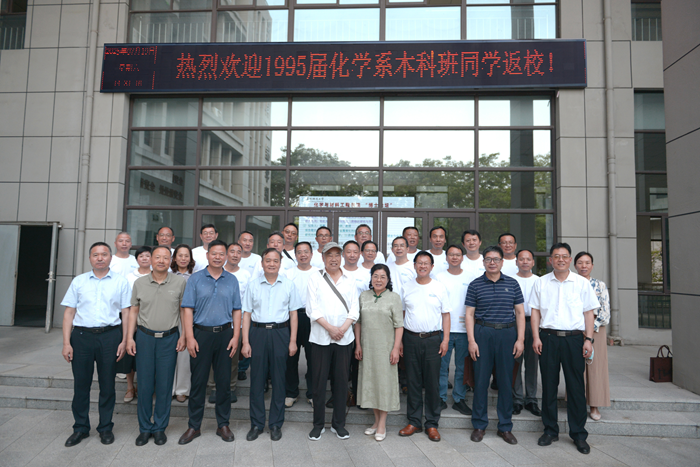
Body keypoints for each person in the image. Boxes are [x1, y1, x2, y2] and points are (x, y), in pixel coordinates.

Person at [530, 243, 600, 455]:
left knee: (576, 387)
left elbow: (589, 313)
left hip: (574, 339)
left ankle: (579, 434)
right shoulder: (541, 282)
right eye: (556, 256)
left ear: (570, 260)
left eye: (564, 256)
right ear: (550, 260)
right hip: (548, 338)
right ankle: (550, 430)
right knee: (549, 386)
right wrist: (536, 337)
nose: (560, 260)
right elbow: (535, 312)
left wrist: (588, 339)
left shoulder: (581, 283)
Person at [60, 242, 131, 447]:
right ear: (90, 258)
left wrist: (124, 340)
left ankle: (105, 427)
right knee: (81, 385)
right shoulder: (79, 281)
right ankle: (80, 428)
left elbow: (126, 313)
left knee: (107, 385)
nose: (100, 258)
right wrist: (66, 343)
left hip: (110, 336)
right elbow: (69, 313)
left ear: (110, 257)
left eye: (104, 254)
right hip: (81, 337)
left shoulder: (120, 282)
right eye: (95, 255)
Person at [178, 240, 242, 445]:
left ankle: (223, 424)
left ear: (226, 256)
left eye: (221, 254)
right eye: (214, 253)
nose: (217, 257)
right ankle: (194, 426)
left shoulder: (231, 280)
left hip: (225, 335)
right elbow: (187, 309)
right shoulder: (195, 279)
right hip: (201, 335)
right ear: (207, 255)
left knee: (223, 382)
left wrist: (236, 336)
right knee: (198, 382)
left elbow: (237, 310)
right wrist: (189, 337)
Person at [126, 246, 187, 446]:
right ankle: (144, 428)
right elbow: (133, 312)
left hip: (169, 338)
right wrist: (130, 338)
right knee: (144, 385)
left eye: (165, 257)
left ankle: (160, 427)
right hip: (145, 337)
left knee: (164, 384)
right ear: (151, 259)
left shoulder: (179, 282)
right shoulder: (139, 283)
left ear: (171, 261)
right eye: (157, 257)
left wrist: (184, 335)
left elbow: (183, 312)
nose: (161, 261)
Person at [465, 246, 525, 445]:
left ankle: (505, 426)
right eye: (488, 259)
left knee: (506, 382)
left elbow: (519, 313)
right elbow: (469, 314)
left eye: (496, 259)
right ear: (483, 262)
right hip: (483, 333)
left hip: (507, 334)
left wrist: (520, 339)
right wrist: (472, 341)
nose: (492, 262)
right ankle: (479, 425)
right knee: (481, 380)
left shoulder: (513, 283)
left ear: (502, 262)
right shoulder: (475, 285)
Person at [241, 248, 302, 442]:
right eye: (268, 260)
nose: (271, 264)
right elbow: (246, 314)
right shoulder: (253, 285)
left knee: (279, 380)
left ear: (280, 263)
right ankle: (256, 424)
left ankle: (276, 424)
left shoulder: (289, 285)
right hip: (257, 333)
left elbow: (294, 314)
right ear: (262, 263)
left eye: (275, 261)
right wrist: (245, 341)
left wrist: (293, 341)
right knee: (257, 380)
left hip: (280, 333)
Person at [306, 242, 359, 441]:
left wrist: (342, 329)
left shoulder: (350, 280)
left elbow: (354, 309)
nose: (334, 259)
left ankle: (339, 424)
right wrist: (330, 328)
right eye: (330, 255)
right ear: (323, 258)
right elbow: (311, 309)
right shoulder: (315, 278)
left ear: (342, 257)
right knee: (319, 383)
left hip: (344, 339)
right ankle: (318, 425)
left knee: (341, 382)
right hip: (320, 338)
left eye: (337, 254)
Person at [398, 251, 451, 443]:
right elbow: (402, 314)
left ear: (432, 266)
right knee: (412, 381)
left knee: (432, 382)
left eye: (426, 263)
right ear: (414, 265)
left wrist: (445, 340)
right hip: (411, 338)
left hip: (433, 339)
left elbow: (446, 315)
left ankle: (431, 423)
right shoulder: (406, 287)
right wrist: (400, 341)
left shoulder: (439, 287)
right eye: (419, 263)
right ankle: (414, 421)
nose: (422, 266)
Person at [355, 264, 403, 441]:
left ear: (388, 279)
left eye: (383, 276)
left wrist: (396, 348)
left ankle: (382, 423)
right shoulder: (364, 296)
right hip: (367, 348)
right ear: (371, 278)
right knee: (372, 383)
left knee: (384, 384)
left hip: (386, 348)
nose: (378, 280)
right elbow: (358, 322)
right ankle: (376, 421)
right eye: (375, 276)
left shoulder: (393, 298)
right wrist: (358, 344)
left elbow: (399, 325)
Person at [435, 245, 479, 416]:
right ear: (446, 257)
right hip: (442, 329)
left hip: (464, 330)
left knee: (462, 367)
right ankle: (440, 398)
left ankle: (459, 399)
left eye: (458, 255)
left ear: (462, 257)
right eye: (451, 254)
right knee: (442, 366)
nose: (454, 257)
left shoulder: (471, 277)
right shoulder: (438, 277)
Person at [208, 242, 252, 404]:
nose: (235, 255)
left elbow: (248, 301)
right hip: (216, 322)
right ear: (227, 254)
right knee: (214, 358)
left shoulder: (246, 275)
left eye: (238, 252)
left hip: (237, 324)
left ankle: (231, 387)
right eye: (232, 251)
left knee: (233, 358)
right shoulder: (217, 272)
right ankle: (214, 387)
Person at [574, 251, 611, 421]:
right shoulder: (571, 283)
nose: (584, 266)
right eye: (580, 263)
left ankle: (594, 405)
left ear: (592, 266)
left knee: (595, 367)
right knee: (575, 367)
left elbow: (605, 311)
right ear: (575, 265)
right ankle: (576, 402)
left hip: (596, 329)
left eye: (587, 263)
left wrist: (590, 328)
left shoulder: (600, 285)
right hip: (575, 329)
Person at [285, 241, 318, 408]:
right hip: (293, 316)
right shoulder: (288, 273)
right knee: (291, 357)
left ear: (311, 254)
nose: (303, 255)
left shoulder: (319, 273)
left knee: (314, 358)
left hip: (313, 318)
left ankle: (313, 393)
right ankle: (291, 393)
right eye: (299, 252)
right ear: (295, 255)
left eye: (306, 251)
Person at [512, 249, 541, 416]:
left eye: (528, 259)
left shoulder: (539, 281)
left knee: (532, 362)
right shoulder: (509, 280)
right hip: (513, 324)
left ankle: (531, 399)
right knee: (515, 361)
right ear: (516, 262)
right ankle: (516, 399)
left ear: (533, 262)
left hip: (533, 324)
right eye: (521, 259)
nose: (524, 262)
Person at [122, 245, 153, 403]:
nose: (145, 258)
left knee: (146, 357)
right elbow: (126, 302)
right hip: (131, 318)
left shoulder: (157, 275)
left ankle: (144, 387)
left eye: (148, 256)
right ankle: (130, 387)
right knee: (130, 356)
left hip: (150, 320)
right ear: (136, 259)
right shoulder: (129, 277)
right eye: (141, 256)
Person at [171, 244, 195, 403]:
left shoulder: (195, 277)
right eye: (180, 255)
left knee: (184, 355)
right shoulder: (168, 275)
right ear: (174, 258)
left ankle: (182, 389)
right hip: (169, 318)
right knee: (169, 355)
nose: (183, 258)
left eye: (186, 255)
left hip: (188, 318)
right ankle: (169, 388)